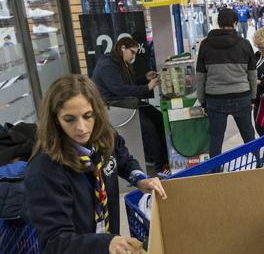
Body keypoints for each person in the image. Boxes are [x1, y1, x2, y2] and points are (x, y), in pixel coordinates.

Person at [25, 75, 167, 254]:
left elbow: (124, 161)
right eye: (69, 119)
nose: (82, 128)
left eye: (87, 116)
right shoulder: (44, 170)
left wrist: (139, 179)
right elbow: (55, 242)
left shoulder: (105, 138)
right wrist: (105, 244)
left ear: (97, 112)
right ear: (55, 120)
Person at [91, 37, 169, 174]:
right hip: (114, 107)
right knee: (149, 130)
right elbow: (120, 90)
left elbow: (128, 85)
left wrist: (145, 78)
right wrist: (147, 87)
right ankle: (160, 166)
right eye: (132, 52)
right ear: (123, 48)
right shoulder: (107, 66)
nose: (134, 56)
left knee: (159, 118)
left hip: (125, 103)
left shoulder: (118, 62)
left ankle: (163, 157)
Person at [196, 8, 257, 158]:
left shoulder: (205, 44)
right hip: (241, 96)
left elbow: (200, 76)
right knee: (249, 136)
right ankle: (258, 168)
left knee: (216, 138)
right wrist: (253, 98)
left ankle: (216, 173)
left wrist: (202, 101)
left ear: (218, 23)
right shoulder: (245, 44)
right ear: (235, 23)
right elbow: (252, 74)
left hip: (215, 98)